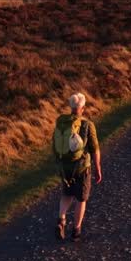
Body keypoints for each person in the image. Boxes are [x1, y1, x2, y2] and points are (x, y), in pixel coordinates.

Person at [52, 92, 101, 240]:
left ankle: (61, 220)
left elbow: (54, 144)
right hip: (81, 168)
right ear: (83, 108)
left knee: (67, 194)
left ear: (71, 106)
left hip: (65, 167)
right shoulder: (87, 124)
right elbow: (95, 149)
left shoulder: (61, 123)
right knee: (81, 199)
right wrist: (98, 168)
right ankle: (76, 230)